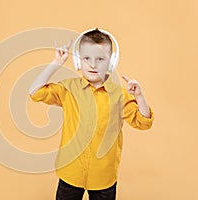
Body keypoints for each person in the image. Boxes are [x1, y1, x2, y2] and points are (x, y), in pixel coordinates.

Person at [29, 28, 154, 200]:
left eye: (100, 59)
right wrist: (56, 63)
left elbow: (143, 122)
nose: (93, 65)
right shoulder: (68, 89)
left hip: (104, 177)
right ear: (78, 62)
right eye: (86, 59)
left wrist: (139, 96)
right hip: (70, 173)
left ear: (111, 63)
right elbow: (35, 92)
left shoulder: (119, 95)